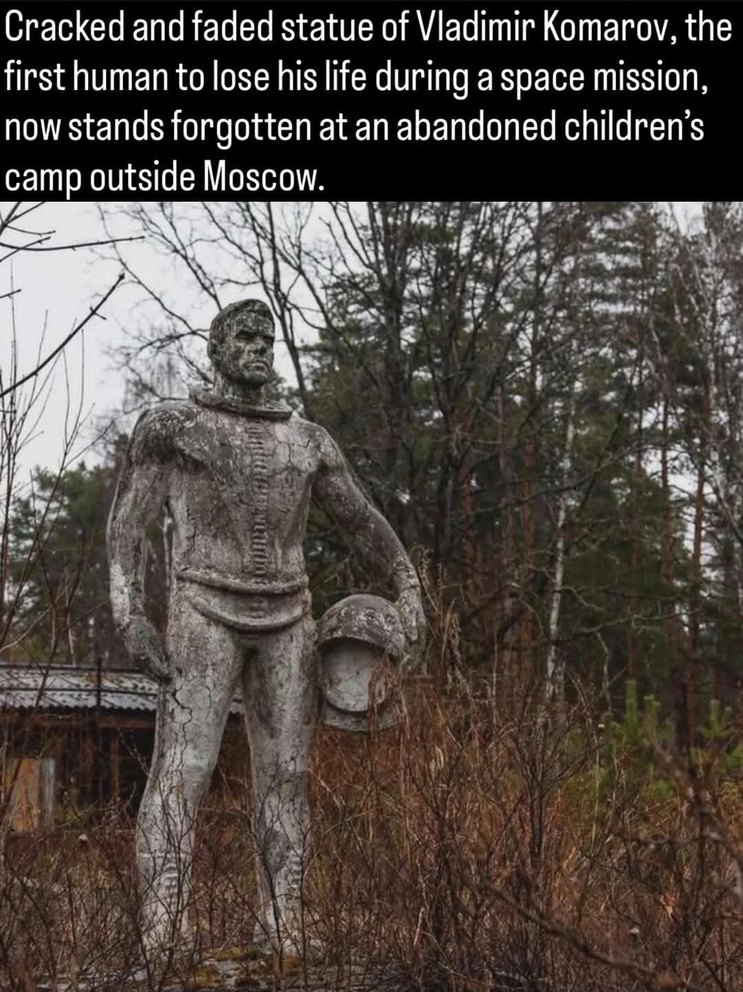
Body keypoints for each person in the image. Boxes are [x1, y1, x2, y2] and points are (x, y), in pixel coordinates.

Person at [107, 299, 425, 958]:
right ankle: (165, 927)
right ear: (216, 346)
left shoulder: (307, 439)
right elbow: (129, 523)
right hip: (203, 608)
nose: (258, 348)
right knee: (185, 768)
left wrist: (406, 582)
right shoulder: (174, 425)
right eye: (244, 337)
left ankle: (282, 920)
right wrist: (129, 611)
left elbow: (358, 518)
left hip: (289, 613)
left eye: (266, 338)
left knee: (286, 776)